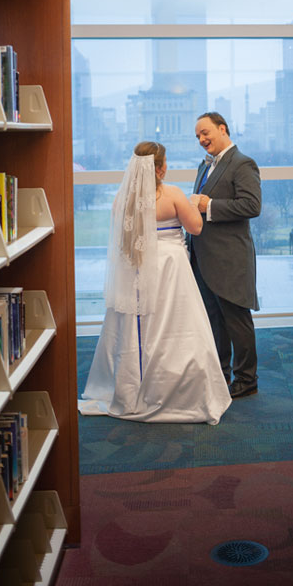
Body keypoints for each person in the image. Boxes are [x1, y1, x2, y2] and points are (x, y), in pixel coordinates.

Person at [78, 142, 231, 424]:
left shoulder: (121, 198)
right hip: (170, 268)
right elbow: (195, 227)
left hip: (136, 270)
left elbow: (121, 241)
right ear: (160, 168)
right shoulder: (172, 194)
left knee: (138, 327)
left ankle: (132, 386)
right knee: (177, 324)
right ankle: (183, 392)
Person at [189, 112, 262, 399]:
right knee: (214, 320)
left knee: (236, 320)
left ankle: (246, 379)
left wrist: (210, 206)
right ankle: (221, 373)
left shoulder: (242, 163)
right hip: (204, 258)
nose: (201, 139)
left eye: (205, 132)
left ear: (223, 129)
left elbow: (252, 206)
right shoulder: (203, 166)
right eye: (197, 136)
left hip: (230, 258)